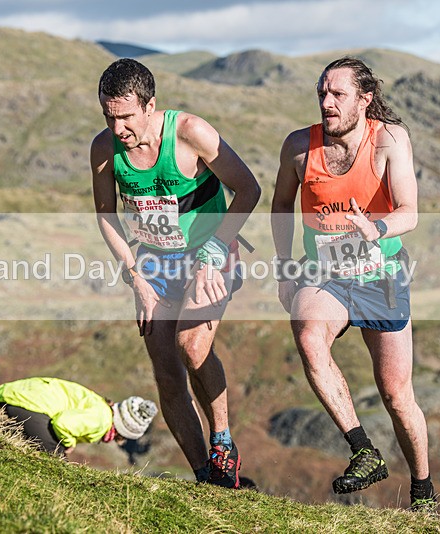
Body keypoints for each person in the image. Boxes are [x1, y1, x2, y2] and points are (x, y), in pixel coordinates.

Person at [270, 57, 436, 511]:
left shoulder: (388, 140)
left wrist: (376, 230)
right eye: (322, 92)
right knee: (308, 333)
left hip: (381, 274)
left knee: (397, 394)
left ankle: (423, 492)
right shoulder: (299, 148)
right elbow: (282, 205)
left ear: (364, 99)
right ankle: (363, 449)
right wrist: (285, 266)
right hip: (325, 273)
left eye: (338, 94)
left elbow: (409, 211)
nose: (326, 102)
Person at [90, 58, 261, 488]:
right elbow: (105, 215)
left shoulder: (190, 133)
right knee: (166, 370)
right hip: (153, 261)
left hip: (210, 253)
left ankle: (222, 441)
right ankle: (208, 477)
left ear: (150, 106)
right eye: (109, 117)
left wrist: (213, 251)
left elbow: (249, 189)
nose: (118, 129)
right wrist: (135, 277)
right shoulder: (104, 148)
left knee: (191, 344)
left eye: (126, 117)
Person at [0, 376, 157, 456]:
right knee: (57, 461)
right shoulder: (102, 420)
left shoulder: (99, 405)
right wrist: (69, 443)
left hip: (13, 395)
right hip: (30, 407)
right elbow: (62, 424)